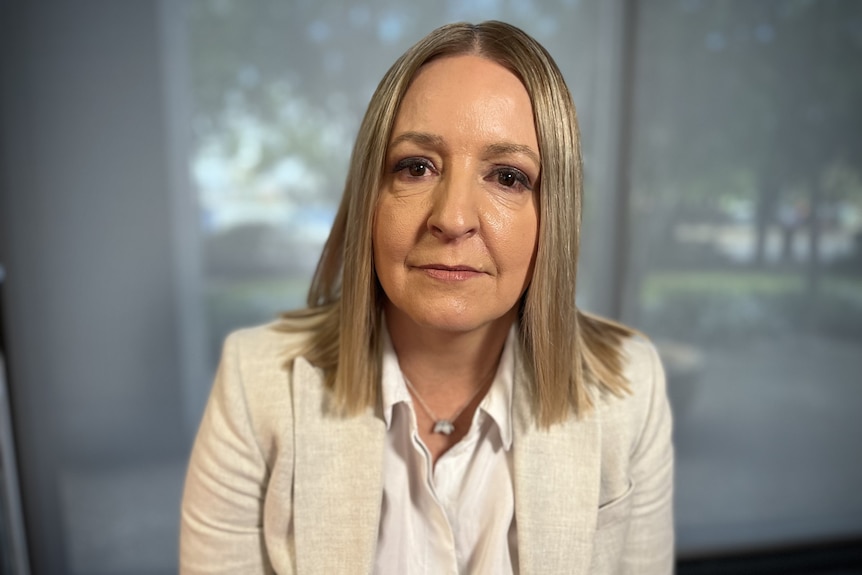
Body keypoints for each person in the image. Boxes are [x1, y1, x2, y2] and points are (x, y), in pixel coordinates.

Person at [180, 20, 673, 575]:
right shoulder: (256, 382)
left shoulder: (631, 387)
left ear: (553, 215)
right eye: (416, 167)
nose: (453, 218)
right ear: (371, 194)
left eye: (508, 177)